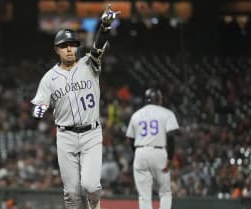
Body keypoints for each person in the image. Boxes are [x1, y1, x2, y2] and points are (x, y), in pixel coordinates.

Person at [30, 4, 120, 209]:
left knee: (91, 186)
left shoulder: (89, 64)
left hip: (91, 133)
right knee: (71, 193)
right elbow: (38, 104)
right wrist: (39, 109)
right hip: (65, 136)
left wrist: (104, 27)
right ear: (57, 50)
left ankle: (95, 206)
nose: (70, 48)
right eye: (64, 45)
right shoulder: (49, 78)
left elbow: (98, 47)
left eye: (72, 44)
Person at [126, 88, 180, 209]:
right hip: (159, 152)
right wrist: (170, 157)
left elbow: (130, 139)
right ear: (159, 100)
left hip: (140, 151)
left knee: (144, 196)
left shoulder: (136, 115)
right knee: (165, 192)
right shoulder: (167, 113)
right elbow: (171, 137)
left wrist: (138, 153)